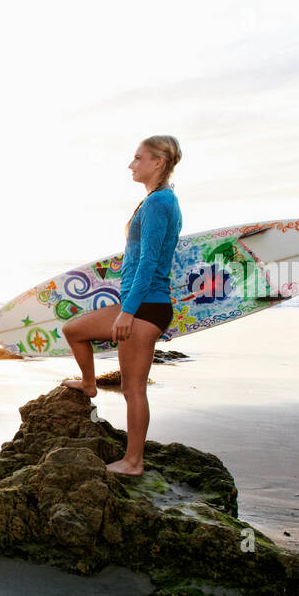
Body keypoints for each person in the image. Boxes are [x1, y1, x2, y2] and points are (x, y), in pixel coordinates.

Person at [60, 135, 182, 476]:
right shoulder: (157, 201)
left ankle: (133, 462)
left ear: (158, 163)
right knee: (73, 330)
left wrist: (127, 312)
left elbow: (148, 262)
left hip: (145, 306)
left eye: (138, 158)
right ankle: (89, 384)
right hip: (139, 302)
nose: (132, 164)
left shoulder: (159, 203)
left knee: (132, 389)